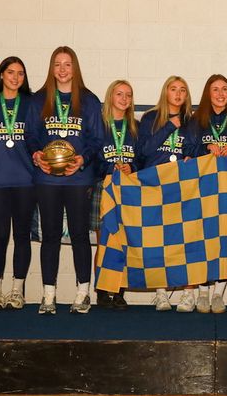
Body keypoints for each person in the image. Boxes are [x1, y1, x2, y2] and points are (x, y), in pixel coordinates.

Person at [28, 46, 103, 315]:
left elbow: (97, 139)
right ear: (51, 68)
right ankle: (49, 295)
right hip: (47, 179)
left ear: (75, 68)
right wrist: (37, 154)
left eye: (67, 64)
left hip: (78, 179)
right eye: (57, 64)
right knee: (50, 236)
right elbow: (31, 135)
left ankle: (83, 293)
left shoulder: (89, 100)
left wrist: (82, 159)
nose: (62, 69)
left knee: (81, 235)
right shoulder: (39, 99)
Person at [182, 74, 227, 314]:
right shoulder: (196, 120)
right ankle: (202, 291)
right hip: (201, 188)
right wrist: (206, 147)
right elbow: (186, 149)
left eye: (224, 90)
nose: (220, 94)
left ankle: (219, 292)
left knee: (224, 238)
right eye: (215, 89)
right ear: (208, 93)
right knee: (200, 238)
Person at [0, 56, 39, 310]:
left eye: (20, 74)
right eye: (11, 72)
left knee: (22, 236)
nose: (15, 78)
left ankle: (16, 291)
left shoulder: (31, 105)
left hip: (26, 181)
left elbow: (38, 140)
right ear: (1, 75)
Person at [136, 75, 193, 311]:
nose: (178, 94)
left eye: (182, 90)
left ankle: (188, 292)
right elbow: (144, 152)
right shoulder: (150, 118)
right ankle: (160, 292)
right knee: (156, 240)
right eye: (173, 89)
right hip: (154, 186)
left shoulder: (192, 120)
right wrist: (169, 126)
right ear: (165, 92)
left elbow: (194, 148)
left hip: (182, 187)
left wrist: (192, 155)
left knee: (186, 240)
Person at [92, 80, 139, 310]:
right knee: (104, 242)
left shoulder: (135, 128)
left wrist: (132, 168)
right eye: (119, 94)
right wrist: (109, 168)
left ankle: (119, 291)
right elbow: (91, 159)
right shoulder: (99, 126)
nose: (123, 98)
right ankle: (102, 292)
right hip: (105, 188)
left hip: (128, 191)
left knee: (123, 243)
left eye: (128, 95)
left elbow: (142, 159)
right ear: (111, 96)